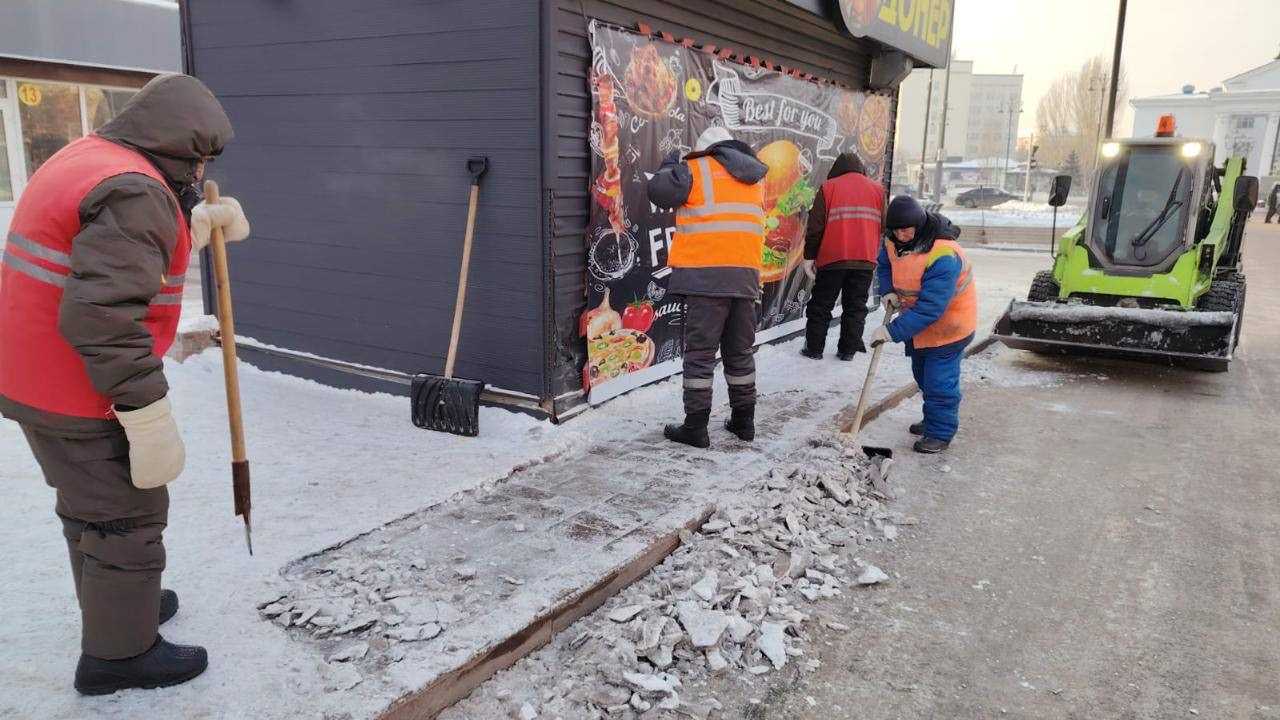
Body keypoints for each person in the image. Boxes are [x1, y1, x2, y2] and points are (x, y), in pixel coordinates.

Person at [0, 73, 250, 695]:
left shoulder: (92, 156)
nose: (200, 173)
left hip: (32, 375)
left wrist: (195, 221)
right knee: (127, 515)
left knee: (90, 507)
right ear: (179, 149)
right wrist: (146, 410)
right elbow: (103, 316)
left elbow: (107, 250)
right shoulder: (138, 192)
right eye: (198, 161)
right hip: (77, 388)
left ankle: (121, 605)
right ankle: (119, 656)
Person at [647, 126, 768, 448]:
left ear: (707, 150)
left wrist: (670, 163)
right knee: (740, 352)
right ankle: (744, 422)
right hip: (745, 277)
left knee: (700, 355)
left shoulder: (696, 169)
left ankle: (696, 428)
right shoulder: (755, 177)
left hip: (706, 279)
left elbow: (658, 191)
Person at [870, 196, 976, 454]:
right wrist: (888, 290)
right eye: (895, 230)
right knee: (923, 376)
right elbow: (885, 264)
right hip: (919, 327)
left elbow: (931, 307)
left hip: (950, 327)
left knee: (939, 382)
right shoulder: (893, 241)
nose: (901, 236)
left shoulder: (944, 254)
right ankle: (933, 419)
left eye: (906, 230)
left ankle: (940, 433)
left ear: (919, 225)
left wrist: (891, 331)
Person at [799, 152, 884, 360]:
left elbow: (815, 228)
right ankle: (848, 351)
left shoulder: (829, 187)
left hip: (833, 259)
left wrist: (809, 256)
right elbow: (883, 225)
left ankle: (814, 349)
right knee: (855, 307)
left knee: (821, 305)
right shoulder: (878, 190)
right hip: (865, 259)